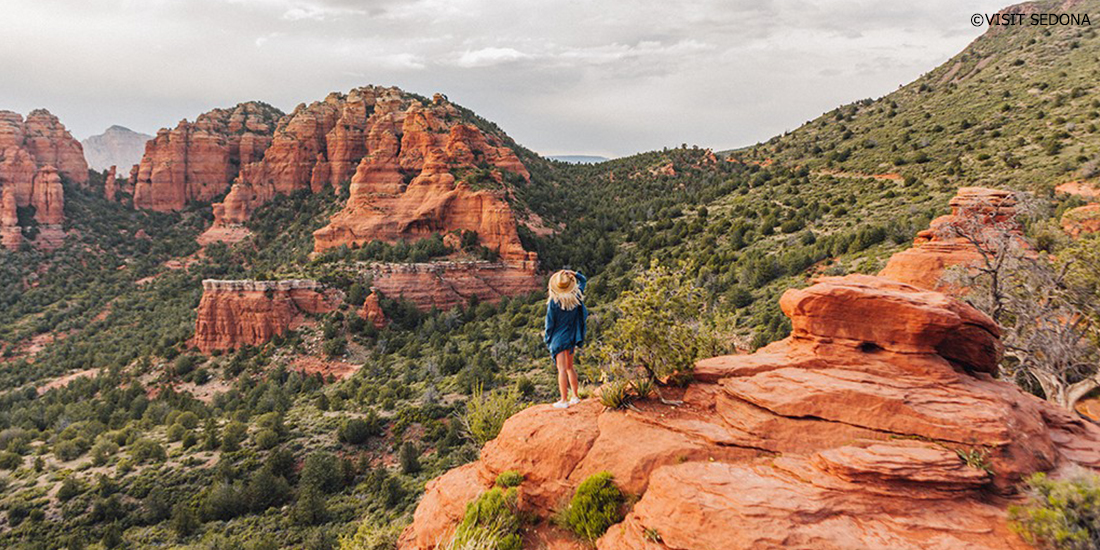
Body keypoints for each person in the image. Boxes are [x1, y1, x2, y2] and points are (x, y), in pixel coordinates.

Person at [544, 269, 588, 409]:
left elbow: (549, 324)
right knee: (570, 367)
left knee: (561, 369)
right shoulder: (576, 296)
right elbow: (584, 280)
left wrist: (547, 339)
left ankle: (563, 400)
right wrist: (574, 273)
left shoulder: (554, 302)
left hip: (558, 338)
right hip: (571, 336)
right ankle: (575, 396)